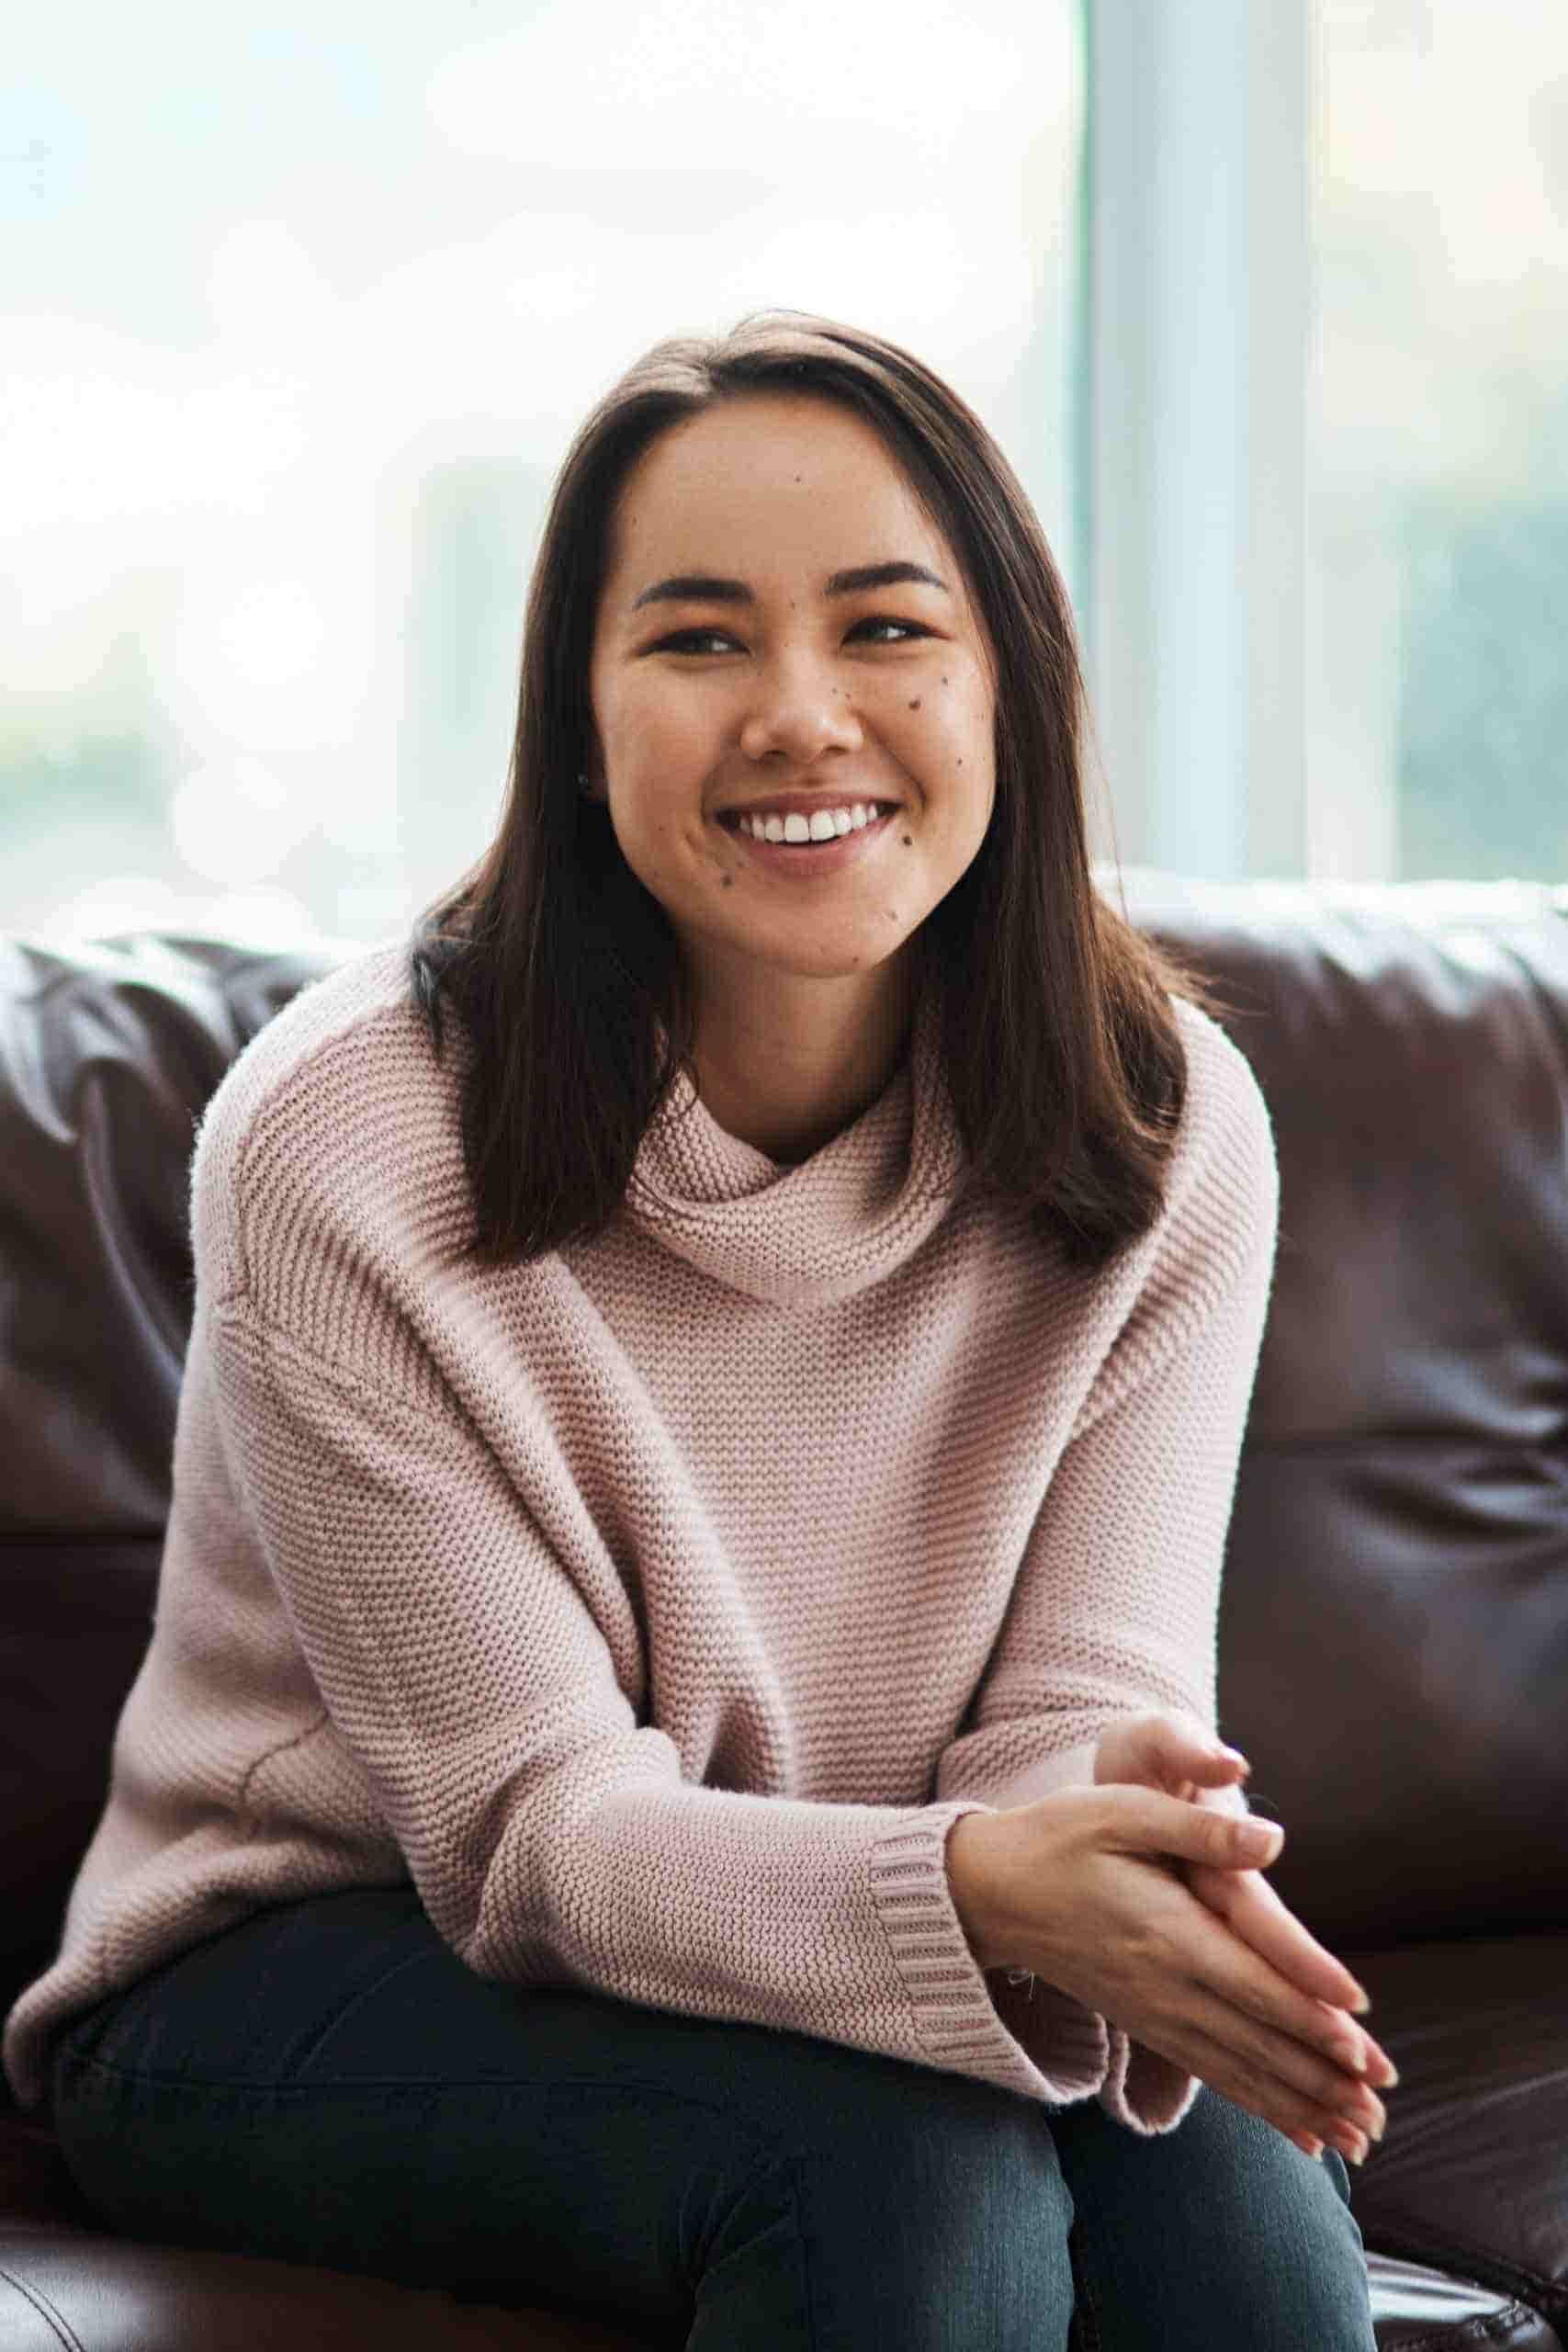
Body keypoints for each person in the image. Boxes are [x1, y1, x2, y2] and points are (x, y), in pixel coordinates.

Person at [8, 310, 1392, 2348]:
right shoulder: (346, 1144)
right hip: (307, 1957)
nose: (801, 713)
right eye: (697, 638)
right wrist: (984, 1893)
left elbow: (1065, 1714)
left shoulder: (1159, 1120)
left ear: (1006, 681)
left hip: (857, 1900)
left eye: (886, 626)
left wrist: (1127, 1879)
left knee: (1242, 2220)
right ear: (577, 722)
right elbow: (529, 1840)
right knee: (898, 2186)